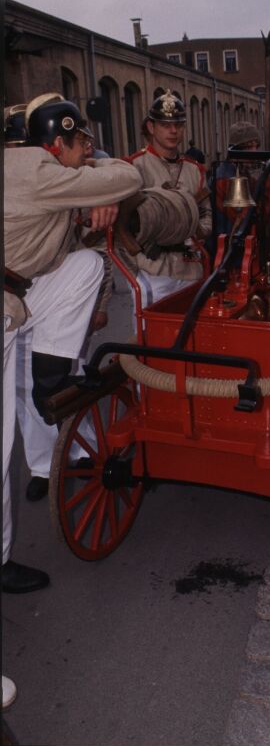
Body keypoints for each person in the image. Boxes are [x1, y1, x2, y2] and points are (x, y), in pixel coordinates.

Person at [3, 93, 142, 593]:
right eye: (80, 144)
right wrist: (99, 186)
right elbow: (129, 176)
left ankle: (51, 374)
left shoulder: (31, 168)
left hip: (17, 292)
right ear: (57, 141)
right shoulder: (35, 169)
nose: (86, 153)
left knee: (83, 265)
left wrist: (92, 192)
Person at [121, 89, 212, 308]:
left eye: (178, 125)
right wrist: (135, 267)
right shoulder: (133, 167)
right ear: (151, 127)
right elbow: (122, 225)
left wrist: (194, 229)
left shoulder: (195, 170)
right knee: (151, 337)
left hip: (190, 267)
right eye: (165, 125)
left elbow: (207, 215)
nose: (173, 131)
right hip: (152, 269)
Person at [210, 121, 270, 249]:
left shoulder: (244, 171)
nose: (254, 152)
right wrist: (268, 181)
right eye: (248, 147)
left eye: (256, 146)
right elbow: (249, 218)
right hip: (232, 247)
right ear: (236, 150)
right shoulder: (225, 178)